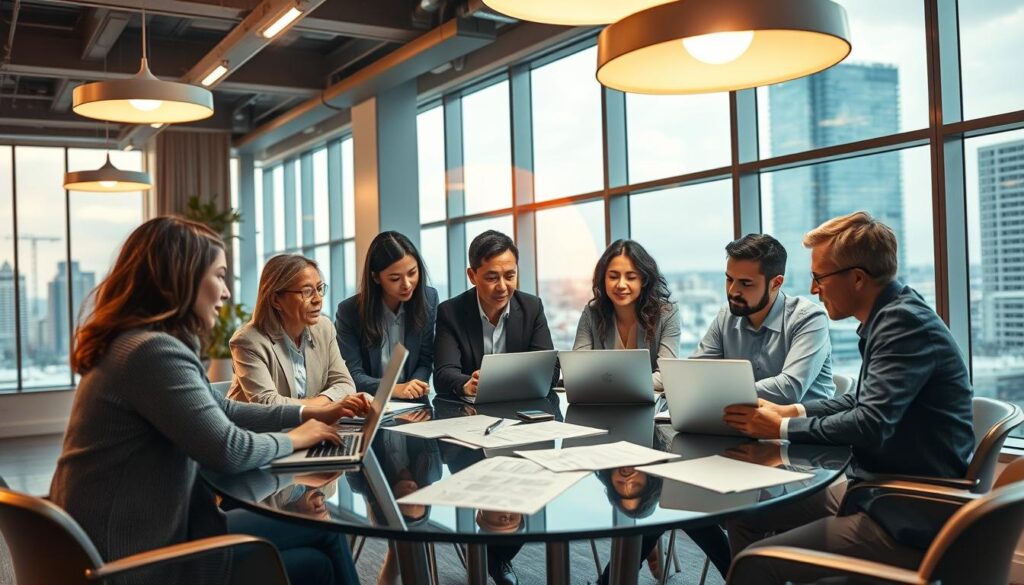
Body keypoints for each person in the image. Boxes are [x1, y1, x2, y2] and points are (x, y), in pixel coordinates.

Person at [49, 216, 369, 585]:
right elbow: (227, 450)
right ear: (181, 279)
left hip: (136, 537)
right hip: (136, 558)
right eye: (218, 275)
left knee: (317, 562)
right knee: (324, 532)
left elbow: (224, 410)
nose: (227, 292)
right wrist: (299, 437)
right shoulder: (152, 352)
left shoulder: (139, 342)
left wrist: (307, 412)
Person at [722, 212, 975, 585]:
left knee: (754, 562)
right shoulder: (893, 314)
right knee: (745, 517)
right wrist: (792, 409)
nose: (813, 289)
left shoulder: (902, 325)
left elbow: (870, 424)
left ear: (857, 278)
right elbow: (859, 400)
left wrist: (782, 426)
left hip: (905, 512)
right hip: (881, 491)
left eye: (819, 277)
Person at [692, 233, 835, 403]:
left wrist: (719, 392)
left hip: (799, 426)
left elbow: (788, 389)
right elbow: (696, 374)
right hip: (740, 422)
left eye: (746, 283)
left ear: (776, 283)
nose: (732, 291)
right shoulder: (726, 315)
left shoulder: (809, 319)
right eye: (729, 279)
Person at [433, 229, 558, 401]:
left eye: (509, 276)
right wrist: (467, 383)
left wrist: (505, 381)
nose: (502, 287)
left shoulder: (532, 307)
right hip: (470, 414)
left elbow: (550, 370)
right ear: (472, 276)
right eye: (492, 278)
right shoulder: (450, 312)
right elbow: (443, 374)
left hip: (521, 408)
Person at [228, 254, 359, 406]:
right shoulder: (248, 341)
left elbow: (346, 385)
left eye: (319, 288)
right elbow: (269, 405)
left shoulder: (324, 328)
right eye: (307, 291)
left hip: (310, 426)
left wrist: (319, 405)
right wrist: (328, 405)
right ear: (276, 300)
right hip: (259, 429)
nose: (318, 299)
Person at [336, 231, 438, 401]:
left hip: (414, 404)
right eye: (395, 278)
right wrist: (395, 389)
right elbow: (352, 375)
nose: (406, 284)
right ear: (376, 277)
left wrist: (414, 385)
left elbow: (425, 360)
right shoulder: (349, 312)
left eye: (412, 273)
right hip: (369, 404)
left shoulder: (428, 299)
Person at [573, 239, 680, 391]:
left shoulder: (667, 314)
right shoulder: (591, 313)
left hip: (649, 409)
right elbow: (577, 370)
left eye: (631, 277)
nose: (621, 285)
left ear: (643, 280)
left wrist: (609, 383)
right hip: (602, 406)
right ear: (603, 279)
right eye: (613, 276)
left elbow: (666, 376)